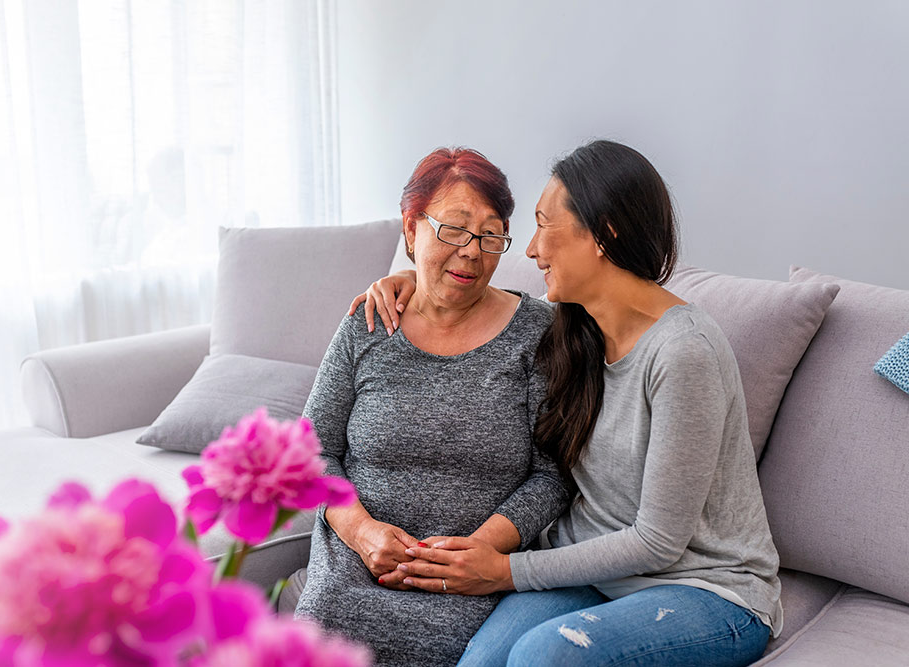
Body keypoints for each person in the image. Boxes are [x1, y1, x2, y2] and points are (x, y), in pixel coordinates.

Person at [351, 140, 782, 666]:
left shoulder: (683, 352)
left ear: (603, 233)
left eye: (542, 224)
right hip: (597, 575)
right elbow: (480, 307)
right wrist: (406, 282)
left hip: (705, 590)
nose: (531, 250)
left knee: (547, 655)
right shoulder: (576, 328)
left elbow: (659, 543)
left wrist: (505, 571)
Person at [293, 147, 570, 666]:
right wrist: (361, 531)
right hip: (354, 569)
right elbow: (310, 454)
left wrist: (479, 553)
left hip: (472, 582)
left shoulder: (538, 334)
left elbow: (553, 475)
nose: (472, 251)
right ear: (411, 227)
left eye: (490, 234)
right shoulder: (368, 323)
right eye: (454, 229)